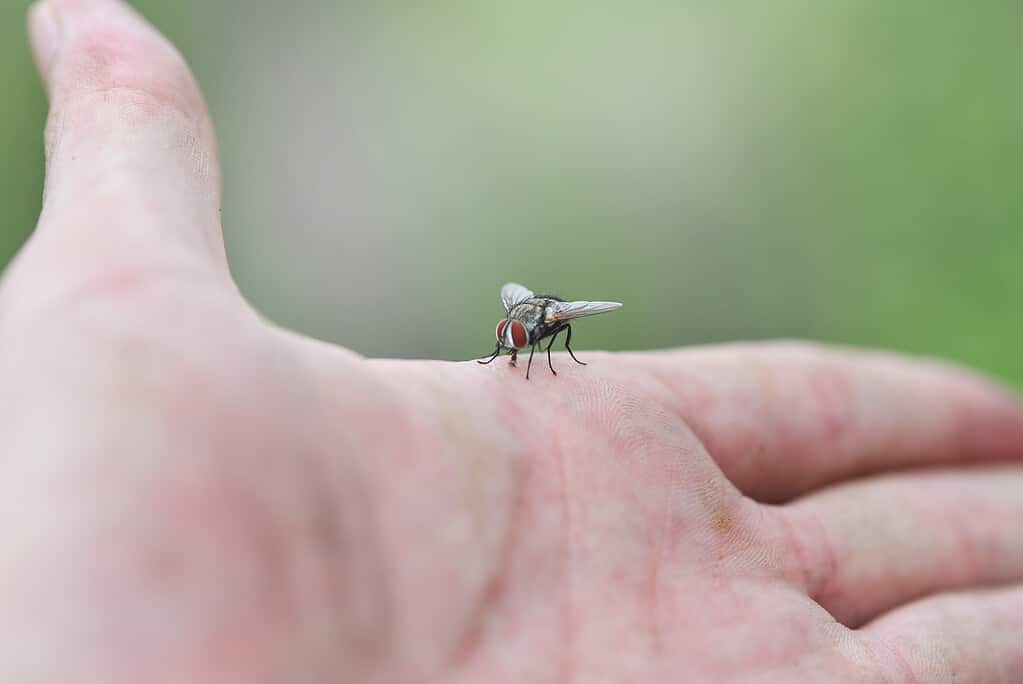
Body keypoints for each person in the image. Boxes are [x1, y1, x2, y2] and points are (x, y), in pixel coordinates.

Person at [8, 1, 1022, 681]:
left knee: (560, 343)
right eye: (514, 339)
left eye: (517, 339)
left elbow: (536, 334)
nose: (512, 345)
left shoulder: (540, 331)